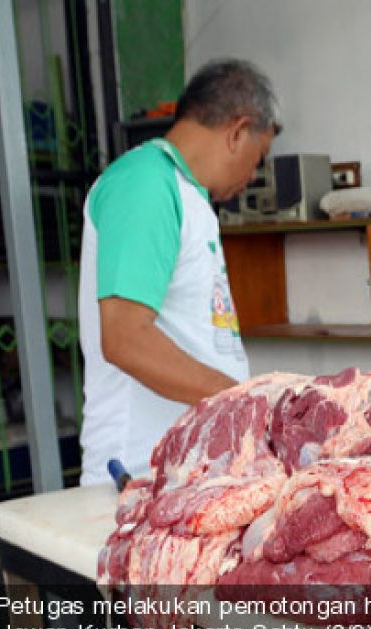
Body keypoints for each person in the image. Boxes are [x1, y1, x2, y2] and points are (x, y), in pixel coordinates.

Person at [77, 59, 280, 484]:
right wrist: (243, 400)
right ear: (237, 131)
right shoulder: (146, 184)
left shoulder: (189, 196)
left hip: (185, 470)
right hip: (139, 473)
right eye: (257, 158)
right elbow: (124, 338)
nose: (252, 175)